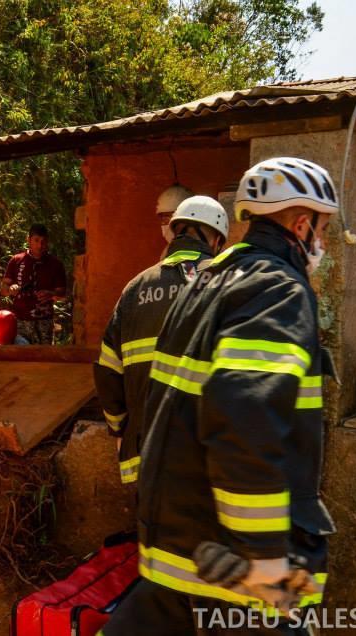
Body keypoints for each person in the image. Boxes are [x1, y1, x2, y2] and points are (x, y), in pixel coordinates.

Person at [101, 158, 338, 635]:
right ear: (301, 224)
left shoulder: (210, 280)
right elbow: (245, 417)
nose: (323, 244)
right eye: (323, 229)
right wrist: (264, 561)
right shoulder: (276, 289)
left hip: (174, 550)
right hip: (234, 577)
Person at [93, 195, 229, 485]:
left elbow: (107, 370)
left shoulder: (135, 288)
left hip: (146, 457)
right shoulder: (226, 284)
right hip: (205, 460)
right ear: (216, 239)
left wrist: (120, 429)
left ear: (176, 231)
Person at [0, 224, 67, 344]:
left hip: (45, 323)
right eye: (36, 240)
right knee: (21, 359)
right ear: (28, 239)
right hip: (20, 322)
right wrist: (10, 289)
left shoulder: (56, 264)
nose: (40, 245)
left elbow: (62, 295)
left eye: (43, 241)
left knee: (44, 359)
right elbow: (3, 289)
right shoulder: (16, 261)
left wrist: (51, 294)